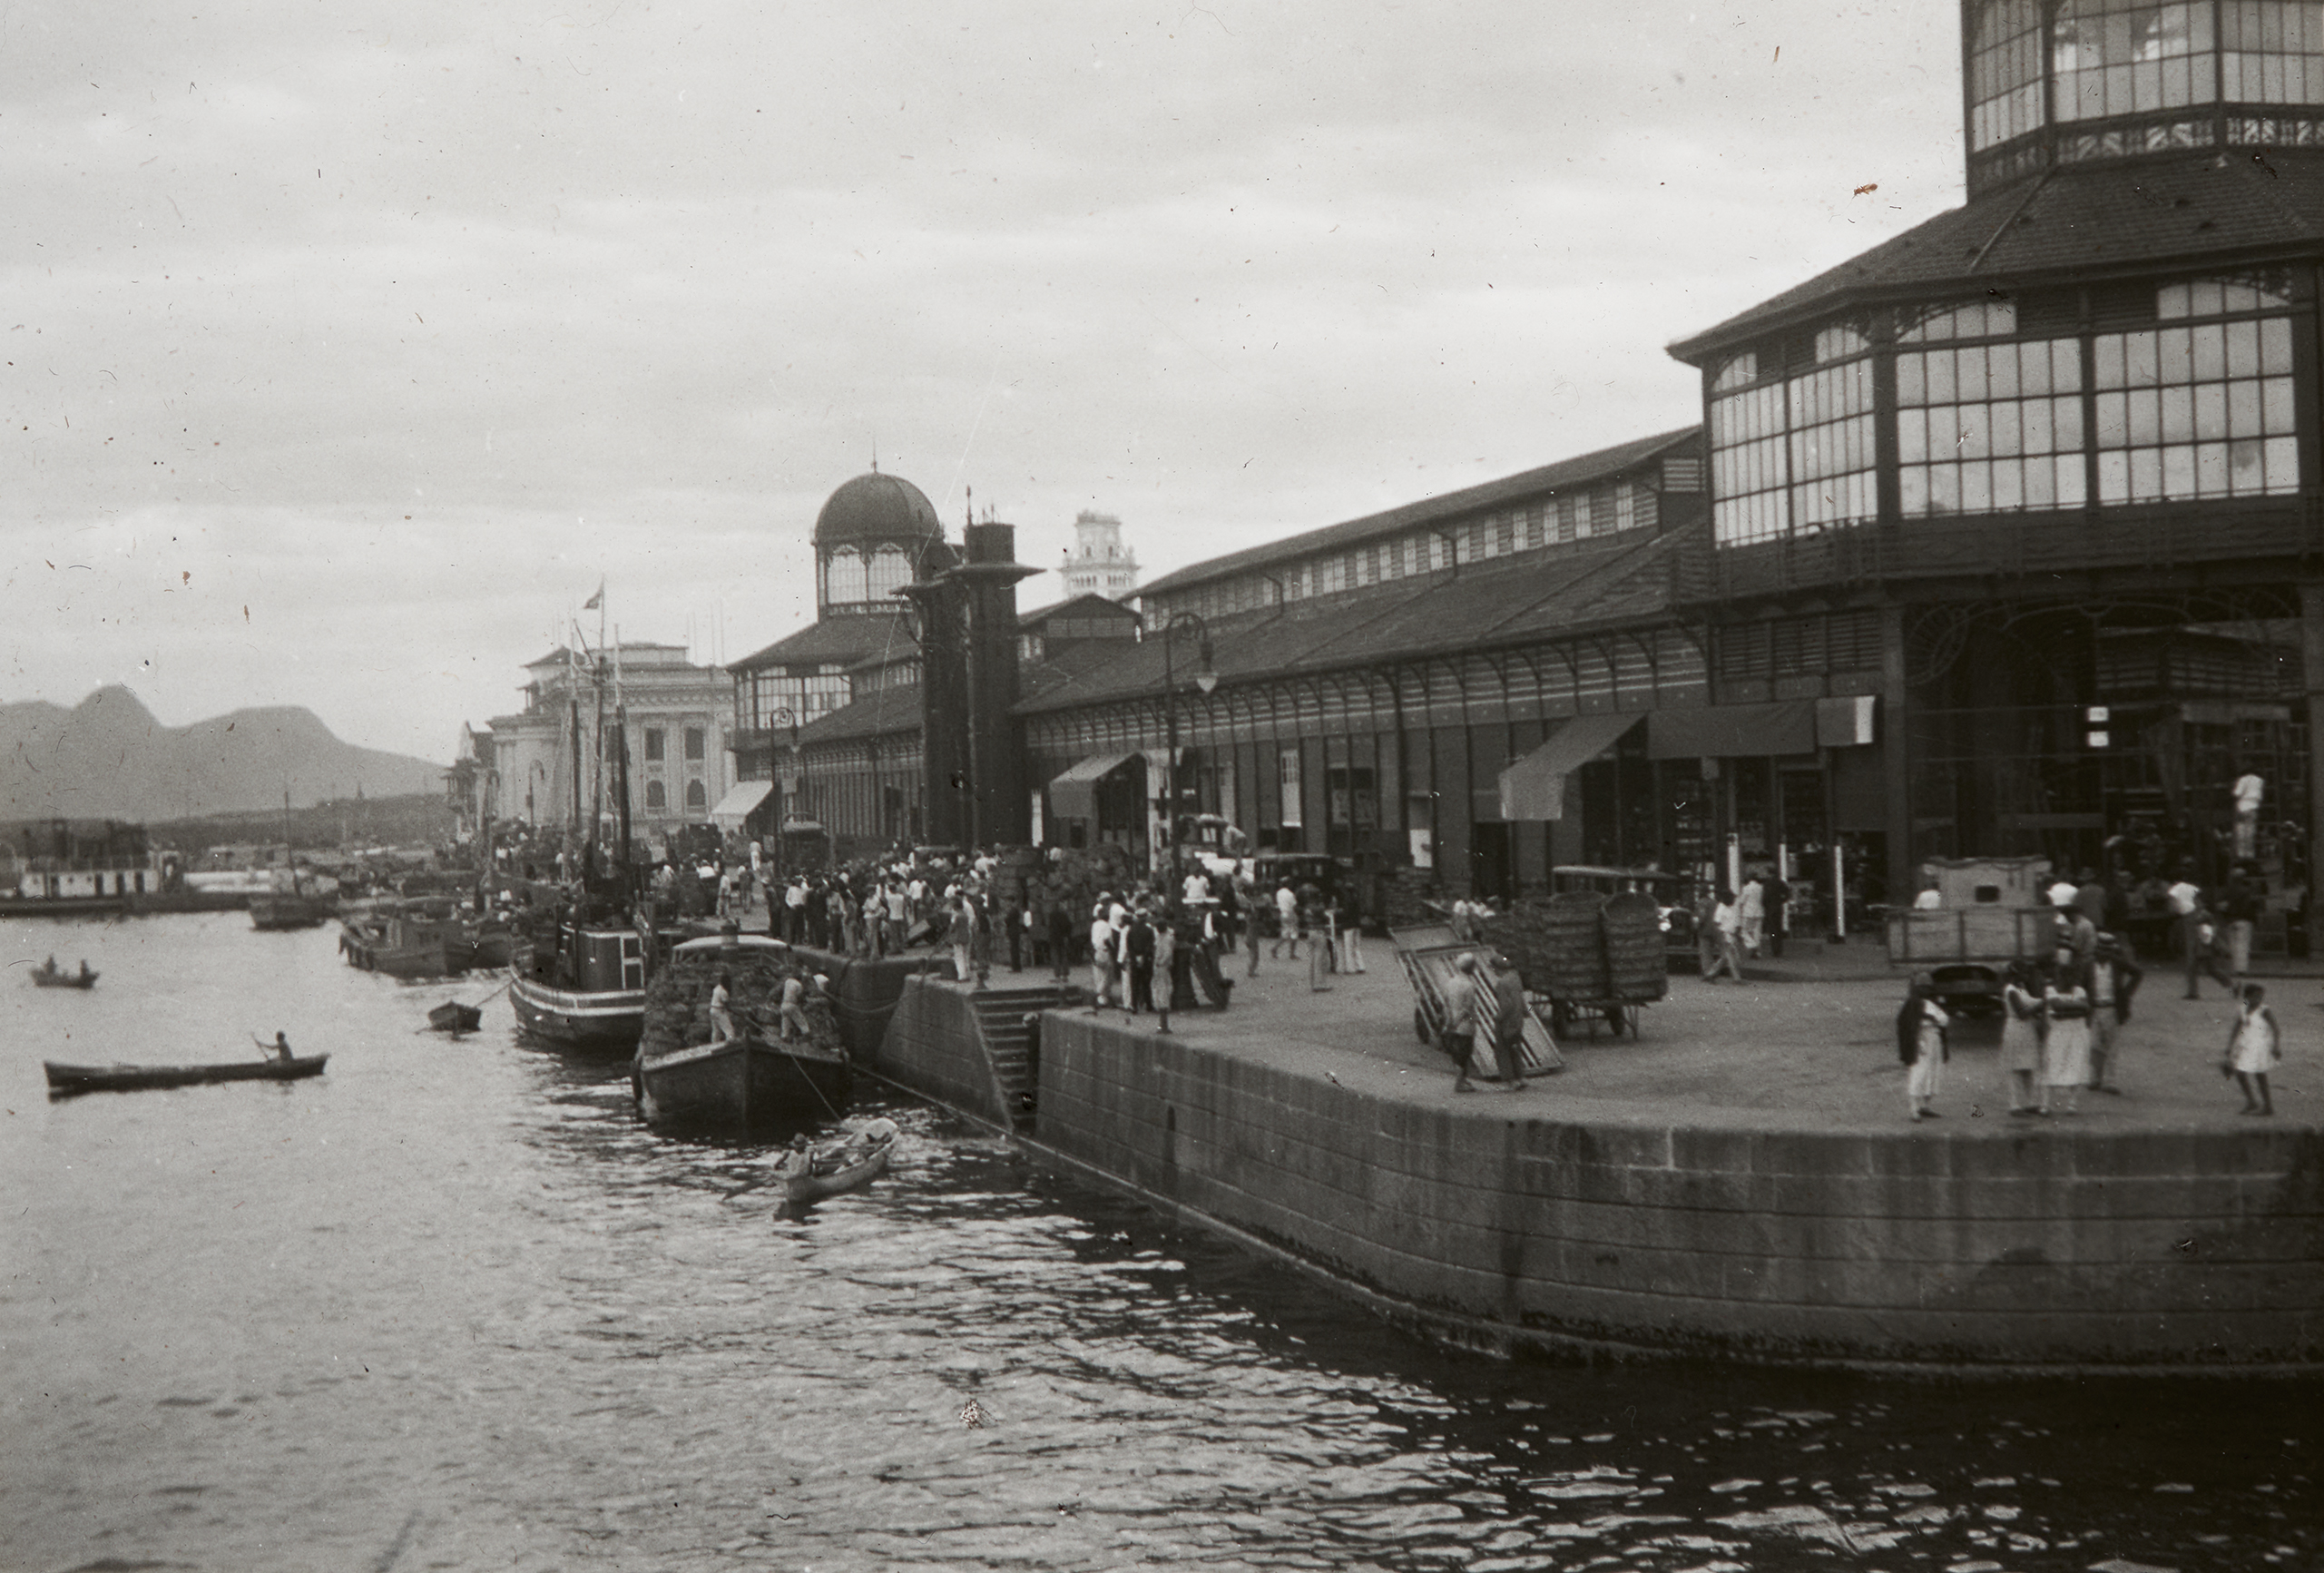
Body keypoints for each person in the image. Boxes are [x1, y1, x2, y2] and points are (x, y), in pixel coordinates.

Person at [2086, 932, 2142, 1096]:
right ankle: (2096, 1078)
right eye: (2101, 951)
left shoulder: (2117, 963)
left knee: (2112, 1045)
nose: (2104, 955)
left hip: (2112, 1008)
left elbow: (2138, 973)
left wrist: (2127, 993)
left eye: (2107, 951)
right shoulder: (2088, 965)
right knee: (2094, 1045)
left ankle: (2110, 1080)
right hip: (2095, 1008)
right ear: (2096, 950)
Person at [1897, 973, 1949, 1121]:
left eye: (1928, 987)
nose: (1926, 990)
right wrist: (1917, 1040)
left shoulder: (1933, 1002)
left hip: (1935, 1038)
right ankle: (1914, 1109)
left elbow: (1944, 1020)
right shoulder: (1913, 1003)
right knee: (1920, 1071)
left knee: (1932, 1072)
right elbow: (1906, 1023)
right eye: (1923, 987)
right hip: (1922, 1039)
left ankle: (1925, 1106)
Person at [2043, 961, 2092, 1116]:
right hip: (2058, 1032)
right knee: (2053, 1065)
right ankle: (2045, 1105)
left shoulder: (2080, 990)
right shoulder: (2050, 990)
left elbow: (2086, 1009)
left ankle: (2072, 1104)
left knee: (2076, 1064)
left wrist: (2063, 1012)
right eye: (2065, 976)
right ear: (2059, 976)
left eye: (2072, 976)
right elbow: (2056, 1006)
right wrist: (2075, 1007)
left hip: (2077, 1032)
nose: (2069, 979)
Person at [1999, 960, 2048, 1116]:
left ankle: (2030, 1103)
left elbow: (2032, 1003)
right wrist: (2042, 1004)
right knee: (2015, 1067)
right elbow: (2021, 1012)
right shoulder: (2010, 990)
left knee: (2028, 1066)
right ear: (2016, 973)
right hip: (2015, 1028)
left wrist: (2044, 1000)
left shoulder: (2022, 988)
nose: (2027, 975)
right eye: (2024, 972)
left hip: (2027, 1029)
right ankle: (2014, 1105)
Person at [2224, 982, 2280, 1116]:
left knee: (2260, 1075)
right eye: (2255, 996)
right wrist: (2230, 1045)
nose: (2258, 1000)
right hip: (2245, 1044)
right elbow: (2236, 1028)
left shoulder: (2264, 1010)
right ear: (2247, 997)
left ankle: (2268, 1106)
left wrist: (2276, 1046)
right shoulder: (2242, 1009)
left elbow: (2275, 1028)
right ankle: (2251, 1100)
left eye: (2260, 997)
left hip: (2260, 1046)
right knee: (2239, 1072)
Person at [1487, 953, 1529, 1092]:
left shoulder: (1501, 983)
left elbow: (1506, 1005)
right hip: (1518, 1019)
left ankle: (1510, 1081)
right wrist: (1526, 1011)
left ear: (1496, 968)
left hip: (1507, 1021)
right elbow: (1522, 1000)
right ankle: (1521, 1077)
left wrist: (1497, 1017)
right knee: (1515, 1048)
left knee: (1503, 1051)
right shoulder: (1515, 978)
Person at [1442, 953, 1483, 1094]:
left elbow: (1446, 1002)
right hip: (1465, 1024)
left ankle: (1463, 1080)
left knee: (1456, 1052)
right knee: (1464, 1053)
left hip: (1452, 1020)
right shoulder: (1469, 985)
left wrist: (1450, 1020)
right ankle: (1459, 1083)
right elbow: (1468, 1007)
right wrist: (1457, 1021)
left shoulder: (1450, 983)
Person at [2167, 867, 2207, 998]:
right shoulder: (2194, 889)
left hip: (2187, 919)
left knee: (2190, 955)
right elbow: (2200, 904)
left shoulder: (2175, 890)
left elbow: (2173, 908)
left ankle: (2192, 990)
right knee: (2199, 951)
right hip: (2198, 917)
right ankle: (2193, 989)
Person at [2221, 866, 2260, 983]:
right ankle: (2241, 969)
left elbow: (2222, 906)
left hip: (2230, 920)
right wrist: (2255, 920)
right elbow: (2250, 907)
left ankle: (2234, 968)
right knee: (2243, 944)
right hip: (2244, 920)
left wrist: (2226, 917)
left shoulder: (2226, 891)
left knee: (2233, 945)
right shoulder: (2247, 891)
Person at [1703, 889, 1746, 983]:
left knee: (1725, 958)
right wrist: (1721, 936)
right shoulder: (1721, 908)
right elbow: (1717, 923)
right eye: (1732, 898)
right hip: (1725, 934)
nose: (1733, 900)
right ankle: (1737, 978)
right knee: (1731, 957)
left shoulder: (1732, 908)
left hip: (1732, 934)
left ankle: (1710, 974)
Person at [1124, 907, 1157, 1012]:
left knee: (1135, 984)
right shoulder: (1149, 930)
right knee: (1146, 983)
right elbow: (1150, 946)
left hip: (1134, 959)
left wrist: (1134, 958)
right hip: (1146, 959)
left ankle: (1134, 1005)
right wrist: (1144, 957)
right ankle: (1149, 1005)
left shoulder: (1131, 931)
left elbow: (1129, 946)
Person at [1089, 904, 1119, 1011]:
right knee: (1107, 977)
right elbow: (1106, 940)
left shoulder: (1095, 924)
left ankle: (1103, 1000)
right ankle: (1097, 995)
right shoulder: (1107, 925)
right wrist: (1114, 951)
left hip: (1096, 951)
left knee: (1099, 977)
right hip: (1105, 951)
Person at [1152, 915, 1177, 1034]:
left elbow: (1168, 953)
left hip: (1161, 967)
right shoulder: (1163, 937)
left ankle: (1163, 1025)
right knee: (1161, 994)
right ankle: (1162, 1025)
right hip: (1159, 967)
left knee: (1163, 994)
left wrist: (1160, 962)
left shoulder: (1166, 938)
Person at [1737, 871, 1766, 958]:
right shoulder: (1761, 887)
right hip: (1759, 911)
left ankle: (1752, 945)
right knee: (1757, 932)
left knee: (1744, 931)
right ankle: (1758, 952)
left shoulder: (1746, 888)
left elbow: (1742, 900)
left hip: (1748, 912)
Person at [1270, 882, 1299, 959]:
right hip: (1290, 913)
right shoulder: (1290, 894)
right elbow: (1294, 905)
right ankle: (1292, 953)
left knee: (1285, 933)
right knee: (1294, 933)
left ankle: (1275, 948)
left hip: (1282, 913)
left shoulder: (1278, 893)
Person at [779, 971, 810, 1041]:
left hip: (784, 1004)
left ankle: (784, 1036)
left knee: (785, 1021)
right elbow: (799, 995)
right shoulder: (799, 985)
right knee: (800, 1019)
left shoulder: (788, 981)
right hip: (791, 1004)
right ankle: (806, 1032)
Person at [709, 971, 736, 1045]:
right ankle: (731, 1044)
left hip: (712, 1010)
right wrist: (731, 1010)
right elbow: (726, 1004)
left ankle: (714, 1045)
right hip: (719, 1010)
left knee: (716, 1030)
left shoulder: (716, 988)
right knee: (729, 1030)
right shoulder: (723, 991)